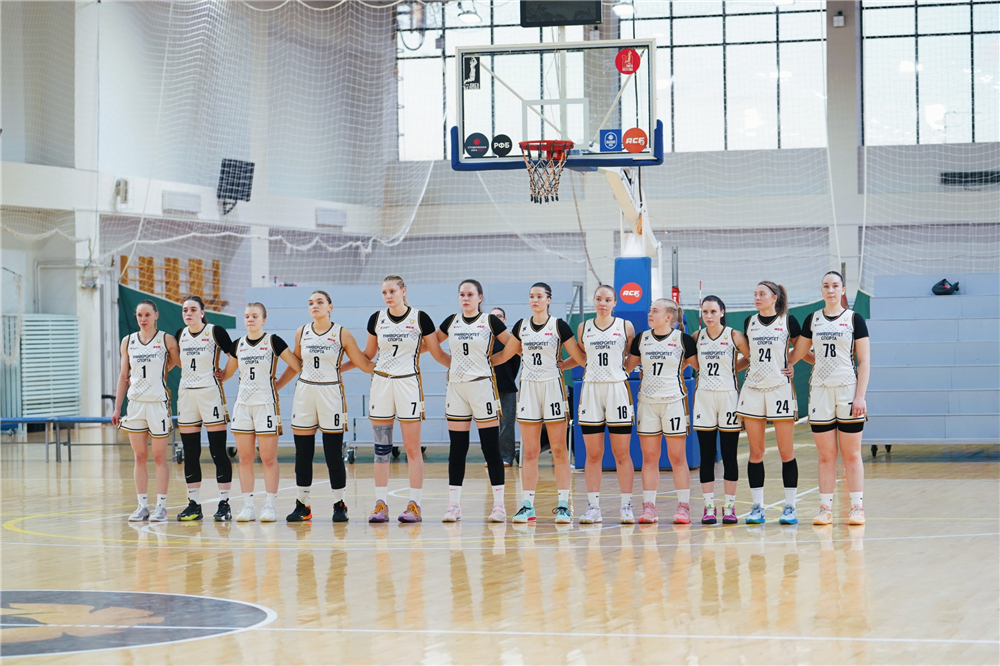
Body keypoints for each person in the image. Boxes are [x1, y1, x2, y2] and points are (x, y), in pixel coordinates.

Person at [491, 282, 586, 524]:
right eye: (531, 296)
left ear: (548, 300)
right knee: (530, 451)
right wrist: (481, 361)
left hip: (553, 386)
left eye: (539, 296)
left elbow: (578, 357)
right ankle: (527, 506)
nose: (535, 300)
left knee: (558, 449)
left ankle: (563, 505)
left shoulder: (559, 325)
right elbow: (506, 354)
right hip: (529, 388)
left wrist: (568, 365)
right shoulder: (521, 326)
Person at [279, 290, 375, 523]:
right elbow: (296, 364)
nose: (314, 306)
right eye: (311, 302)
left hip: (330, 393)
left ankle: (339, 505)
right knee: (303, 453)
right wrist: (277, 385)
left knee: (333, 453)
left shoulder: (342, 333)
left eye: (320, 302)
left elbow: (363, 363)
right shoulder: (301, 332)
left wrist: (389, 367)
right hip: (304, 393)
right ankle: (303, 505)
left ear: (330, 306)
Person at [363, 275, 448, 523]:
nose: (388, 296)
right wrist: (339, 365)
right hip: (381, 384)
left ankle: (414, 505)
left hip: (408, 383)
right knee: (381, 449)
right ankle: (380, 504)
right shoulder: (376, 319)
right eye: (384, 292)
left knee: (412, 448)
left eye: (392, 291)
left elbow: (437, 352)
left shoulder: (420, 318)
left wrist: (462, 367)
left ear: (403, 291)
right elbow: (368, 355)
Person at [789, 271, 870, 525]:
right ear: (821, 290)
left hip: (848, 391)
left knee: (852, 454)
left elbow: (864, 361)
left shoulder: (854, 319)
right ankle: (825, 508)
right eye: (826, 286)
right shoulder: (813, 319)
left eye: (835, 286)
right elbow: (799, 353)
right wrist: (786, 362)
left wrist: (860, 396)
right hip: (820, 392)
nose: (831, 290)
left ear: (843, 290)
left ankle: (857, 507)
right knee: (826, 455)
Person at [436, 280, 512, 523]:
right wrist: (450, 363)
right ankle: (453, 506)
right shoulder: (451, 322)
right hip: (457, 388)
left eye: (470, 294)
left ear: (480, 297)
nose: (465, 298)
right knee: (457, 448)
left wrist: (493, 361)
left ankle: (499, 506)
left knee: (491, 448)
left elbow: (513, 344)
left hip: (482, 387)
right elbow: (432, 344)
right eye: (462, 294)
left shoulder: (490, 321)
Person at [220, 302, 302, 522]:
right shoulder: (238, 345)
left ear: (263, 319)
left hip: (266, 404)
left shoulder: (273, 341)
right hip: (242, 406)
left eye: (255, 316)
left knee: (267, 458)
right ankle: (248, 506)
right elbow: (226, 374)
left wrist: (278, 384)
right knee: (244, 458)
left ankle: (270, 506)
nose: (250, 319)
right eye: (247, 316)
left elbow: (297, 365)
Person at [626, 299, 697, 524]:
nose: (650, 313)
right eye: (650, 310)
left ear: (668, 316)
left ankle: (683, 507)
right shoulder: (641, 339)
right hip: (647, 403)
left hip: (673, 402)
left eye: (655, 310)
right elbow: (627, 367)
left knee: (677, 457)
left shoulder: (683, 340)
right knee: (649, 457)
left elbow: (698, 366)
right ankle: (649, 507)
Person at [734, 282, 800, 525]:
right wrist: (727, 370)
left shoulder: (788, 322)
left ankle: (790, 507)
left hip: (779, 389)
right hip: (753, 390)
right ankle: (757, 507)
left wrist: (792, 363)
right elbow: (749, 356)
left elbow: (801, 348)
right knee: (755, 452)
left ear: (774, 297)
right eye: (755, 294)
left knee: (786, 452)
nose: (757, 297)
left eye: (762, 294)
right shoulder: (749, 322)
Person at [573, 285, 636, 524]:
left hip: (617, 390)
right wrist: (562, 365)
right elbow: (582, 357)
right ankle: (593, 507)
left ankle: (626, 506)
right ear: (593, 300)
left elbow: (633, 356)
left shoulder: (625, 326)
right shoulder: (583, 327)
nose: (602, 303)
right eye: (598, 299)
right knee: (593, 453)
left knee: (622, 453)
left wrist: (621, 373)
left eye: (608, 299)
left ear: (615, 302)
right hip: (591, 390)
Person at [113, 299, 181, 522]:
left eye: (147, 315)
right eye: (139, 315)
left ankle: (161, 507)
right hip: (135, 404)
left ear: (156, 316)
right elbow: (124, 375)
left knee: (159, 456)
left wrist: (161, 372)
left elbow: (179, 363)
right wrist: (117, 408)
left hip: (157, 404)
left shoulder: (166, 339)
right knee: (139, 456)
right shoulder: (128, 341)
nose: (143, 319)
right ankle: (142, 506)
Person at [174, 296, 234, 522]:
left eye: (192, 309)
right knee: (190, 452)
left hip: (210, 393)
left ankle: (224, 503)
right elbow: (176, 361)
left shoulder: (215, 331)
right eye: (185, 310)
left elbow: (234, 355)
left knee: (218, 450)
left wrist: (225, 375)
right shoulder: (180, 334)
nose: (188, 313)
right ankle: (194, 504)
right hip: (186, 394)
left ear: (202, 312)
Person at [692, 295, 749, 525]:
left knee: (729, 455)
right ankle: (708, 507)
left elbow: (751, 358)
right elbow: (688, 362)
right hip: (704, 398)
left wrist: (733, 369)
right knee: (706, 456)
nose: (709, 316)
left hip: (728, 397)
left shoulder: (734, 335)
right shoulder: (696, 337)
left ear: (722, 312)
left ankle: (729, 507)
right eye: (705, 312)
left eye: (713, 311)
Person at [489, 307, 520, 467]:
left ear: (505, 320)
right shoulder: (485, 339)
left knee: (506, 423)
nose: (496, 319)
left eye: (499, 316)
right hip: (487, 388)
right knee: (489, 424)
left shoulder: (509, 339)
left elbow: (516, 363)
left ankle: (507, 456)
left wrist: (507, 379)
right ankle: (492, 456)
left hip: (507, 387)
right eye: (493, 316)